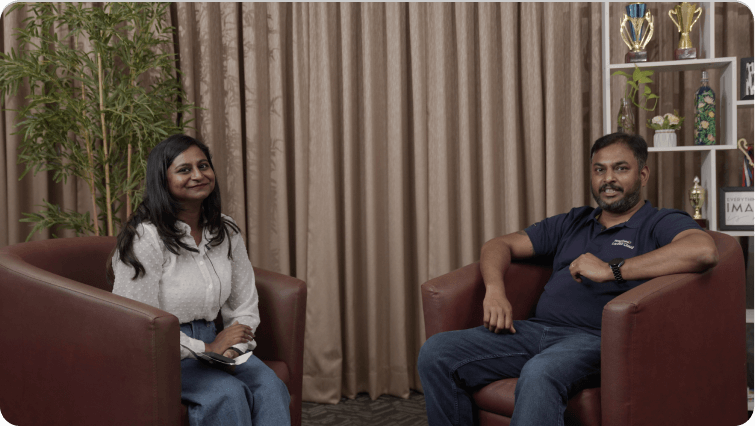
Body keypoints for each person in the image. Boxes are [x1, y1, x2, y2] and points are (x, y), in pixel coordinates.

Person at [417, 132, 719, 426]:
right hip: (533, 331)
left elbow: (702, 250)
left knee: (540, 372)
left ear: (643, 175)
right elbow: (499, 245)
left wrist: (611, 269)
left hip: (596, 341)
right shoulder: (573, 221)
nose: (608, 179)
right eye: (599, 170)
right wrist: (495, 290)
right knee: (436, 352)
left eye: (620, 168)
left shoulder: (658, 222)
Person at [112, 134, 290, 426]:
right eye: (184, 169)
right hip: (165, 352)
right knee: (228, 395)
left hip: (217, 340)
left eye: (203, 166)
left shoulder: (226, 229)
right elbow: (137, 324)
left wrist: (231, 348)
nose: (198, 175)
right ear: (162, 180)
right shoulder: (145, 238)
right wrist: (206, 349)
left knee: (270, 387)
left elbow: (244, 303)